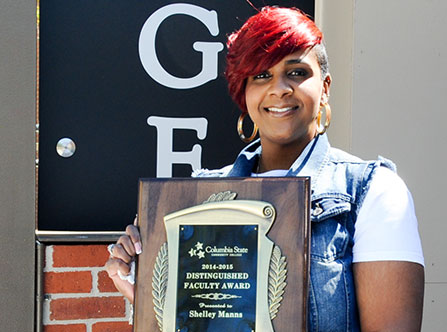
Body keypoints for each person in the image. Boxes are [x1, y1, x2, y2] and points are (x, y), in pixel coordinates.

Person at [106, 6, 425, 331]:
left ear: (325, 87)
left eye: (297, 72)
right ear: (244, 94)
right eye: (261, 75)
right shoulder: (197, 197)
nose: (280, 88)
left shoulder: (372, 190)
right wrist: (142, 292)